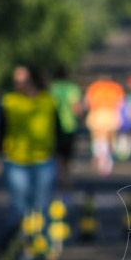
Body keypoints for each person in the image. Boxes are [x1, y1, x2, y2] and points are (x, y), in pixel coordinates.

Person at [0, 65, 59, 230]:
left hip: (43, 159)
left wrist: (61, 155)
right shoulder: (9, 101)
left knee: (42, 206)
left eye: (22, 81)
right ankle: (20, 247)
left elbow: (57, 128)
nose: (18, 84)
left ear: (33, 80)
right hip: (15, 159)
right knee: (19, 207)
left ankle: (43, 244)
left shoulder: (47, 101)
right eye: (16, 81)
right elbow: (1, 128)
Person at [48, 66, 82, 197]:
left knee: (54, 157)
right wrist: (79, 119)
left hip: (52, 127)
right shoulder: (71, 88)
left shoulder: (51, 88)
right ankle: (66, 184)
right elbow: (76, 107)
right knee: (67, 159)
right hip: (69, 126)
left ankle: (55, 185)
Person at [84, 76, 125, 176]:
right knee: (110, 139)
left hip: (97, 114)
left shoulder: (94, 87)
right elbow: (121, 103)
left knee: (98, 137)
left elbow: (87, 102)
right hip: (111, 114)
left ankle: (99, 158)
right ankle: (108, 161)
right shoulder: (115, 87)